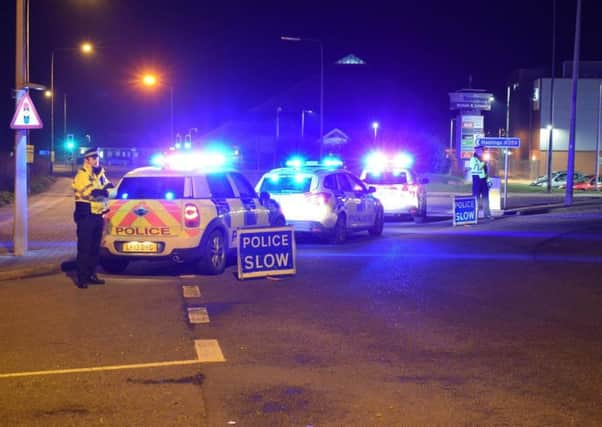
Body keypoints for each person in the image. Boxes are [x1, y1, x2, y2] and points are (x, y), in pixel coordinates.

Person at [72, 147, 114, 288]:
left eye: (97, 158)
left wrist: (103, 191)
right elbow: (88, 192)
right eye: (93, 158)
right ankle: (82, 278)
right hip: (85, 215)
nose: (96, 160)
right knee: (84, 248)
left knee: (95, 248)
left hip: (97, 215)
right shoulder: (82, 174)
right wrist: (100, 191)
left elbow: (109, 189)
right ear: (87, 160)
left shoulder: (100, 174)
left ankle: (91, 274)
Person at [469, 145, 491, 219]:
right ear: (476, 151)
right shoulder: (473, 159)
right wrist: (484, 162)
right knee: (476, 198)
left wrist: (488, 180)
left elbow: (485, 171)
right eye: (480, 150)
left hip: (483, 181)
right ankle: (475, 215)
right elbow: (477, 168)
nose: (482, 152)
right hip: (477, 180)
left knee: (486, 198)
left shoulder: (482, 159)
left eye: (482, 150)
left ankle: (487, 214)